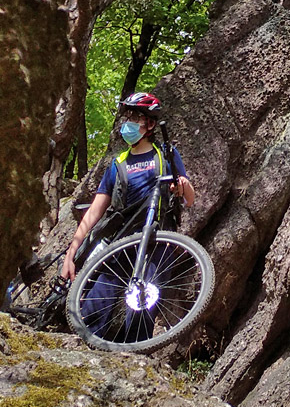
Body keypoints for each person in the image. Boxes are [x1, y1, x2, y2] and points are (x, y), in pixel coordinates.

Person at [62, 93, 195, 298]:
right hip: (120, 242)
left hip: (157, 242)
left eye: (135, 117)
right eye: (127, 117)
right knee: (92, 309)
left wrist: (183, 186)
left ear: (150, 124)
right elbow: (94, 212)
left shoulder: (166, 153)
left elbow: (190, 198)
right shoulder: (118, 164)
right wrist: (71, 253)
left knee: (141, 309)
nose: (128, 123)